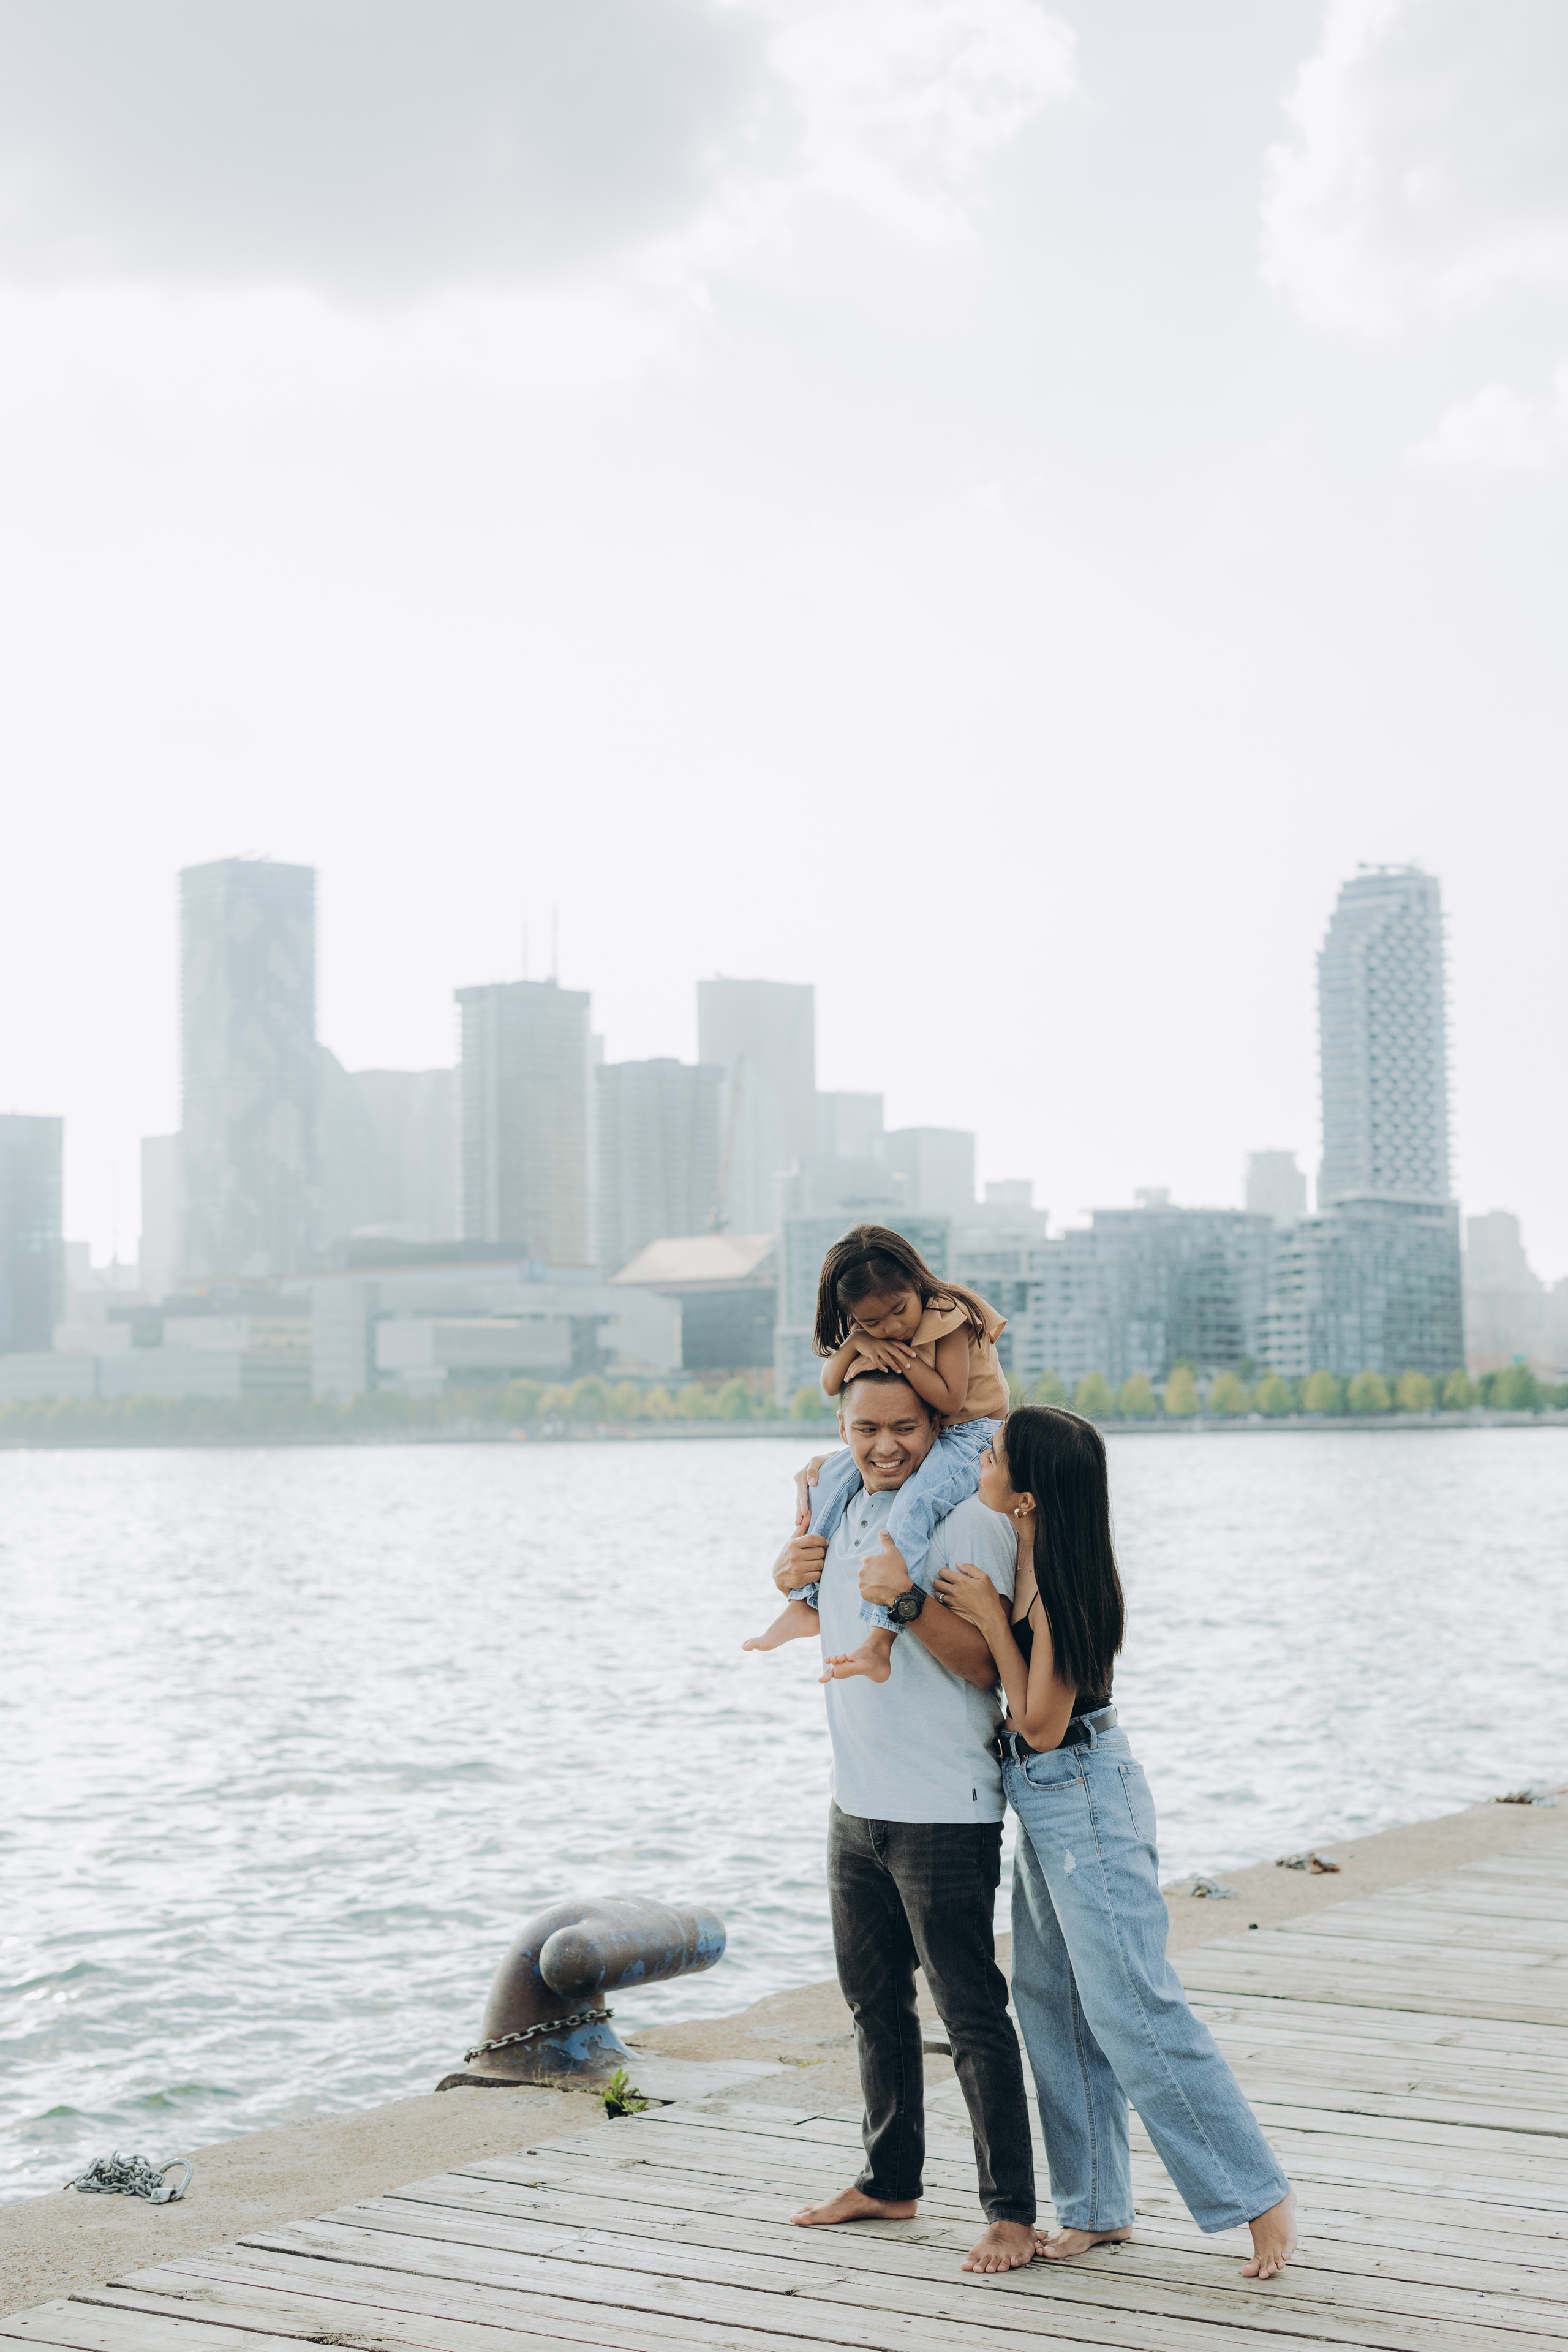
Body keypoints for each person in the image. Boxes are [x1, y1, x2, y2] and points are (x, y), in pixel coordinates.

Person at [933, 1406, 1300, 2282]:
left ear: (1026, 1496)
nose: (979, 1460)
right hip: (1047, 1800)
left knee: (1134, 2006)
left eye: (993, 1456)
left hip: (1084, 1794)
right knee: (1052, 2002)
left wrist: (987, 1621)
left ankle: (1262, 2197)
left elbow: (1043, 1722)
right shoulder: (1025, 1557)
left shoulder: (1060, 1583)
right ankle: (1095, 2206)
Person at [766, 1366, 1040, 2275]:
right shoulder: (840, 1508)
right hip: (855, 1804)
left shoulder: (963, 1519)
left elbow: (987, 1669)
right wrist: (789, 1571)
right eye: (865, 1429)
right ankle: (891, 2182)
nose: (884, 1446)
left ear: (939, 1426)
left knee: (971, 2013)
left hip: (943, 1810)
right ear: (843, 1431)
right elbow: (816, 1615)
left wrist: (907, 1599)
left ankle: (1010, 2212)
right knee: (874, 2006)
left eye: (905, 1429)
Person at [744, 1225, 1009, 1681]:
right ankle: (805, 1603)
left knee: (913, 1505)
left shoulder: (947, 1311)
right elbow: (831, 1385)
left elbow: (948, 1399)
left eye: (897, 1312)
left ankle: (879, 1640)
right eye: (872, 1323)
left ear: (915, 1283)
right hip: (935, 1430)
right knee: (826, 1480)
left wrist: (899, 1356)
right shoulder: (868, 1326)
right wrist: (857, 1344)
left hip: (973, 1432)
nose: (891, 1328)